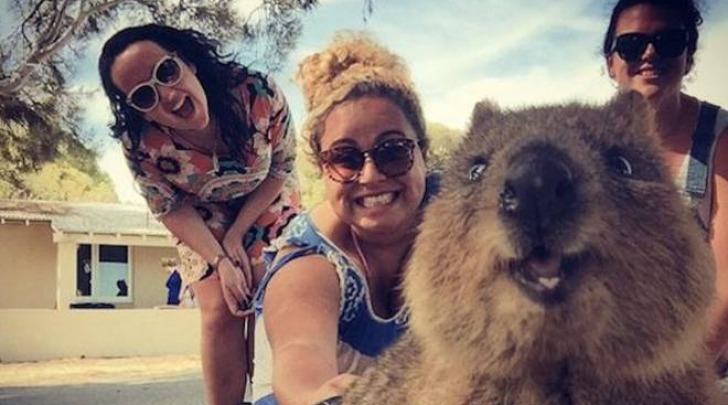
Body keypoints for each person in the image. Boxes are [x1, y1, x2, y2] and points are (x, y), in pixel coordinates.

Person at [98, 24, 301, 405]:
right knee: (222, 304)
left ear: (187, 60)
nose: (168, 96)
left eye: (166, 72)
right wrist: (220, 259)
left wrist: (238, 234)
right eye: (145, 95)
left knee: (270, 291)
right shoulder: (141, 143)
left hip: (265, 195)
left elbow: (282, 167)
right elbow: (168, 206)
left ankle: (271, 397)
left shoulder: (257, 92)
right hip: (199, 212)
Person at [251, 32, 437, 405]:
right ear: (323, 168)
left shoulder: (462, 217)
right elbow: (300, 364)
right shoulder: (309, 263)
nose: (370, 176)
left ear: (424, 153)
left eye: (393, 151)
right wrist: (323, 397)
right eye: (345, 158)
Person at [603, 0, 728, 373]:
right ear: (611, 63)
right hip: (609, 350)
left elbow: (725, 282)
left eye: (669, 41)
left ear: (688, 57)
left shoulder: (721, 139)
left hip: (699, 359)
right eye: (632, 44)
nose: (650, 53)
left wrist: (673, 381)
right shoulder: (589, 140)